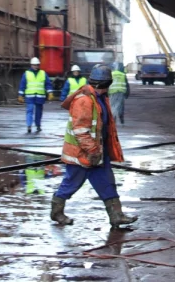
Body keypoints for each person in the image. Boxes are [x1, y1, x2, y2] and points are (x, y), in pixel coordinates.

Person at [50, 63, 138, 228]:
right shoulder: (84, 100)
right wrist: (92, 150)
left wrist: (100, 150)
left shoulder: (100, 98)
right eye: (105, 86)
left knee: (107, 183)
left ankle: (116, 216)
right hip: (81, 153)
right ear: (99, 84)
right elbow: (81, 130)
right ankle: (56, 212)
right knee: (71, 183)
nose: (106, 90)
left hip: (97, 151)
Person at [18, 57, 53, 134]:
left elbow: (48, 84)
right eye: (34, 65)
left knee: (38, 112)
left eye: (37, 65)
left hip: (40, 96)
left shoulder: (43, 73)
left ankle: (38, 125)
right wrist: (20, 95)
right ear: (31, 65)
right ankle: (29, 126)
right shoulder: (26, 74)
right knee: (29, 111)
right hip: (30, 96)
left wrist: (50, 92)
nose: (36, 66)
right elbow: (22, 85)